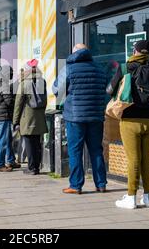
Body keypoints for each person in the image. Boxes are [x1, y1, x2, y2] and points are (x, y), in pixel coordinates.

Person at [107, 40, 149, 209]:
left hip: (130, 119)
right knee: (147, 159)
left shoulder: (125, 67)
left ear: (135, 51)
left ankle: (131, 198)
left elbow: (110, 90)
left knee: (133, 159)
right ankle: (148, 197)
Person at [53, 44, 108, 194]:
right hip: (96, 115)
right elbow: (106, 89)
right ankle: (101, 184)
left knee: (75, 150)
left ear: (75, 53)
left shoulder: (70, 68)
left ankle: (76, 185)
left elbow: (56, 89)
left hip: (75, 116)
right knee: (96, 150)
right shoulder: (100, 69)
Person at [13, 59, 48, 175]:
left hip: (27, 117)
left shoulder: (24, 83)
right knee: (37, 143)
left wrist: (15, 120)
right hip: (39, 117)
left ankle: (31, 167)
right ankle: (37, 167)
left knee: (29, 143)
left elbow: (18, 103)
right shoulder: (42, 81)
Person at [0, 66, 20, 173]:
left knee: (8, 139)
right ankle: (0, 164)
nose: (12, 75)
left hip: (0, 115)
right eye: (11, 73)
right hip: (4, 116)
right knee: (3, 140)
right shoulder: (4, 84)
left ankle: (11, 160)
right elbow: (8, 101)